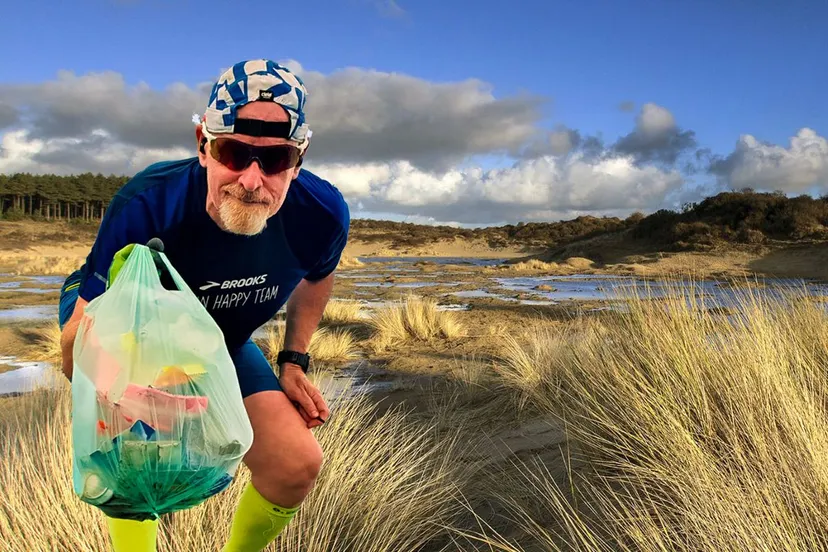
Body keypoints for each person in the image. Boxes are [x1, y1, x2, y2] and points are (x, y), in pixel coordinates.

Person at [57, 59, 350, 552]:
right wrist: (122, 392)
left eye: (275, 160)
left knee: (295, 466)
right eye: (233, 153)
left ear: (298, 159)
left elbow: (318, 277)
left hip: (220, 343)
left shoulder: (320, 215)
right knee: (134, 465)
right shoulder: (150, 205)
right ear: (202, 145)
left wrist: (294, 358)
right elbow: (75, 346)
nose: (252, 181)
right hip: (129, 335)